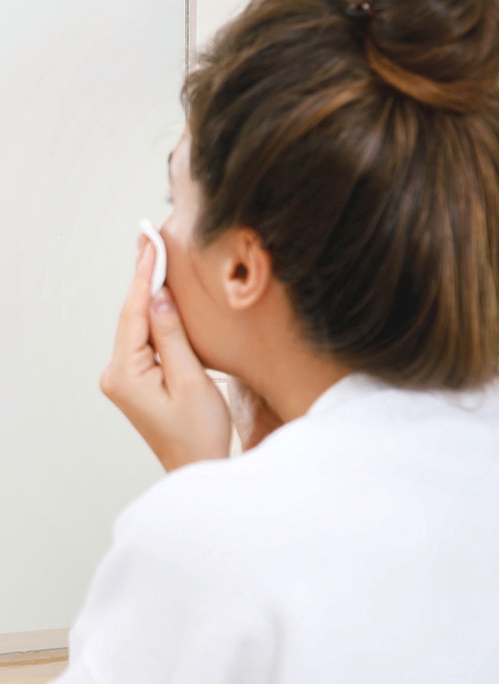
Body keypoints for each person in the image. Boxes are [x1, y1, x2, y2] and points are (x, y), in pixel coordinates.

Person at [58, 0, 499, 681]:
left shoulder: (208, 542)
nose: (162, 231)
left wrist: (204, 489)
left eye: (174, 195)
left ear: (241, 268)